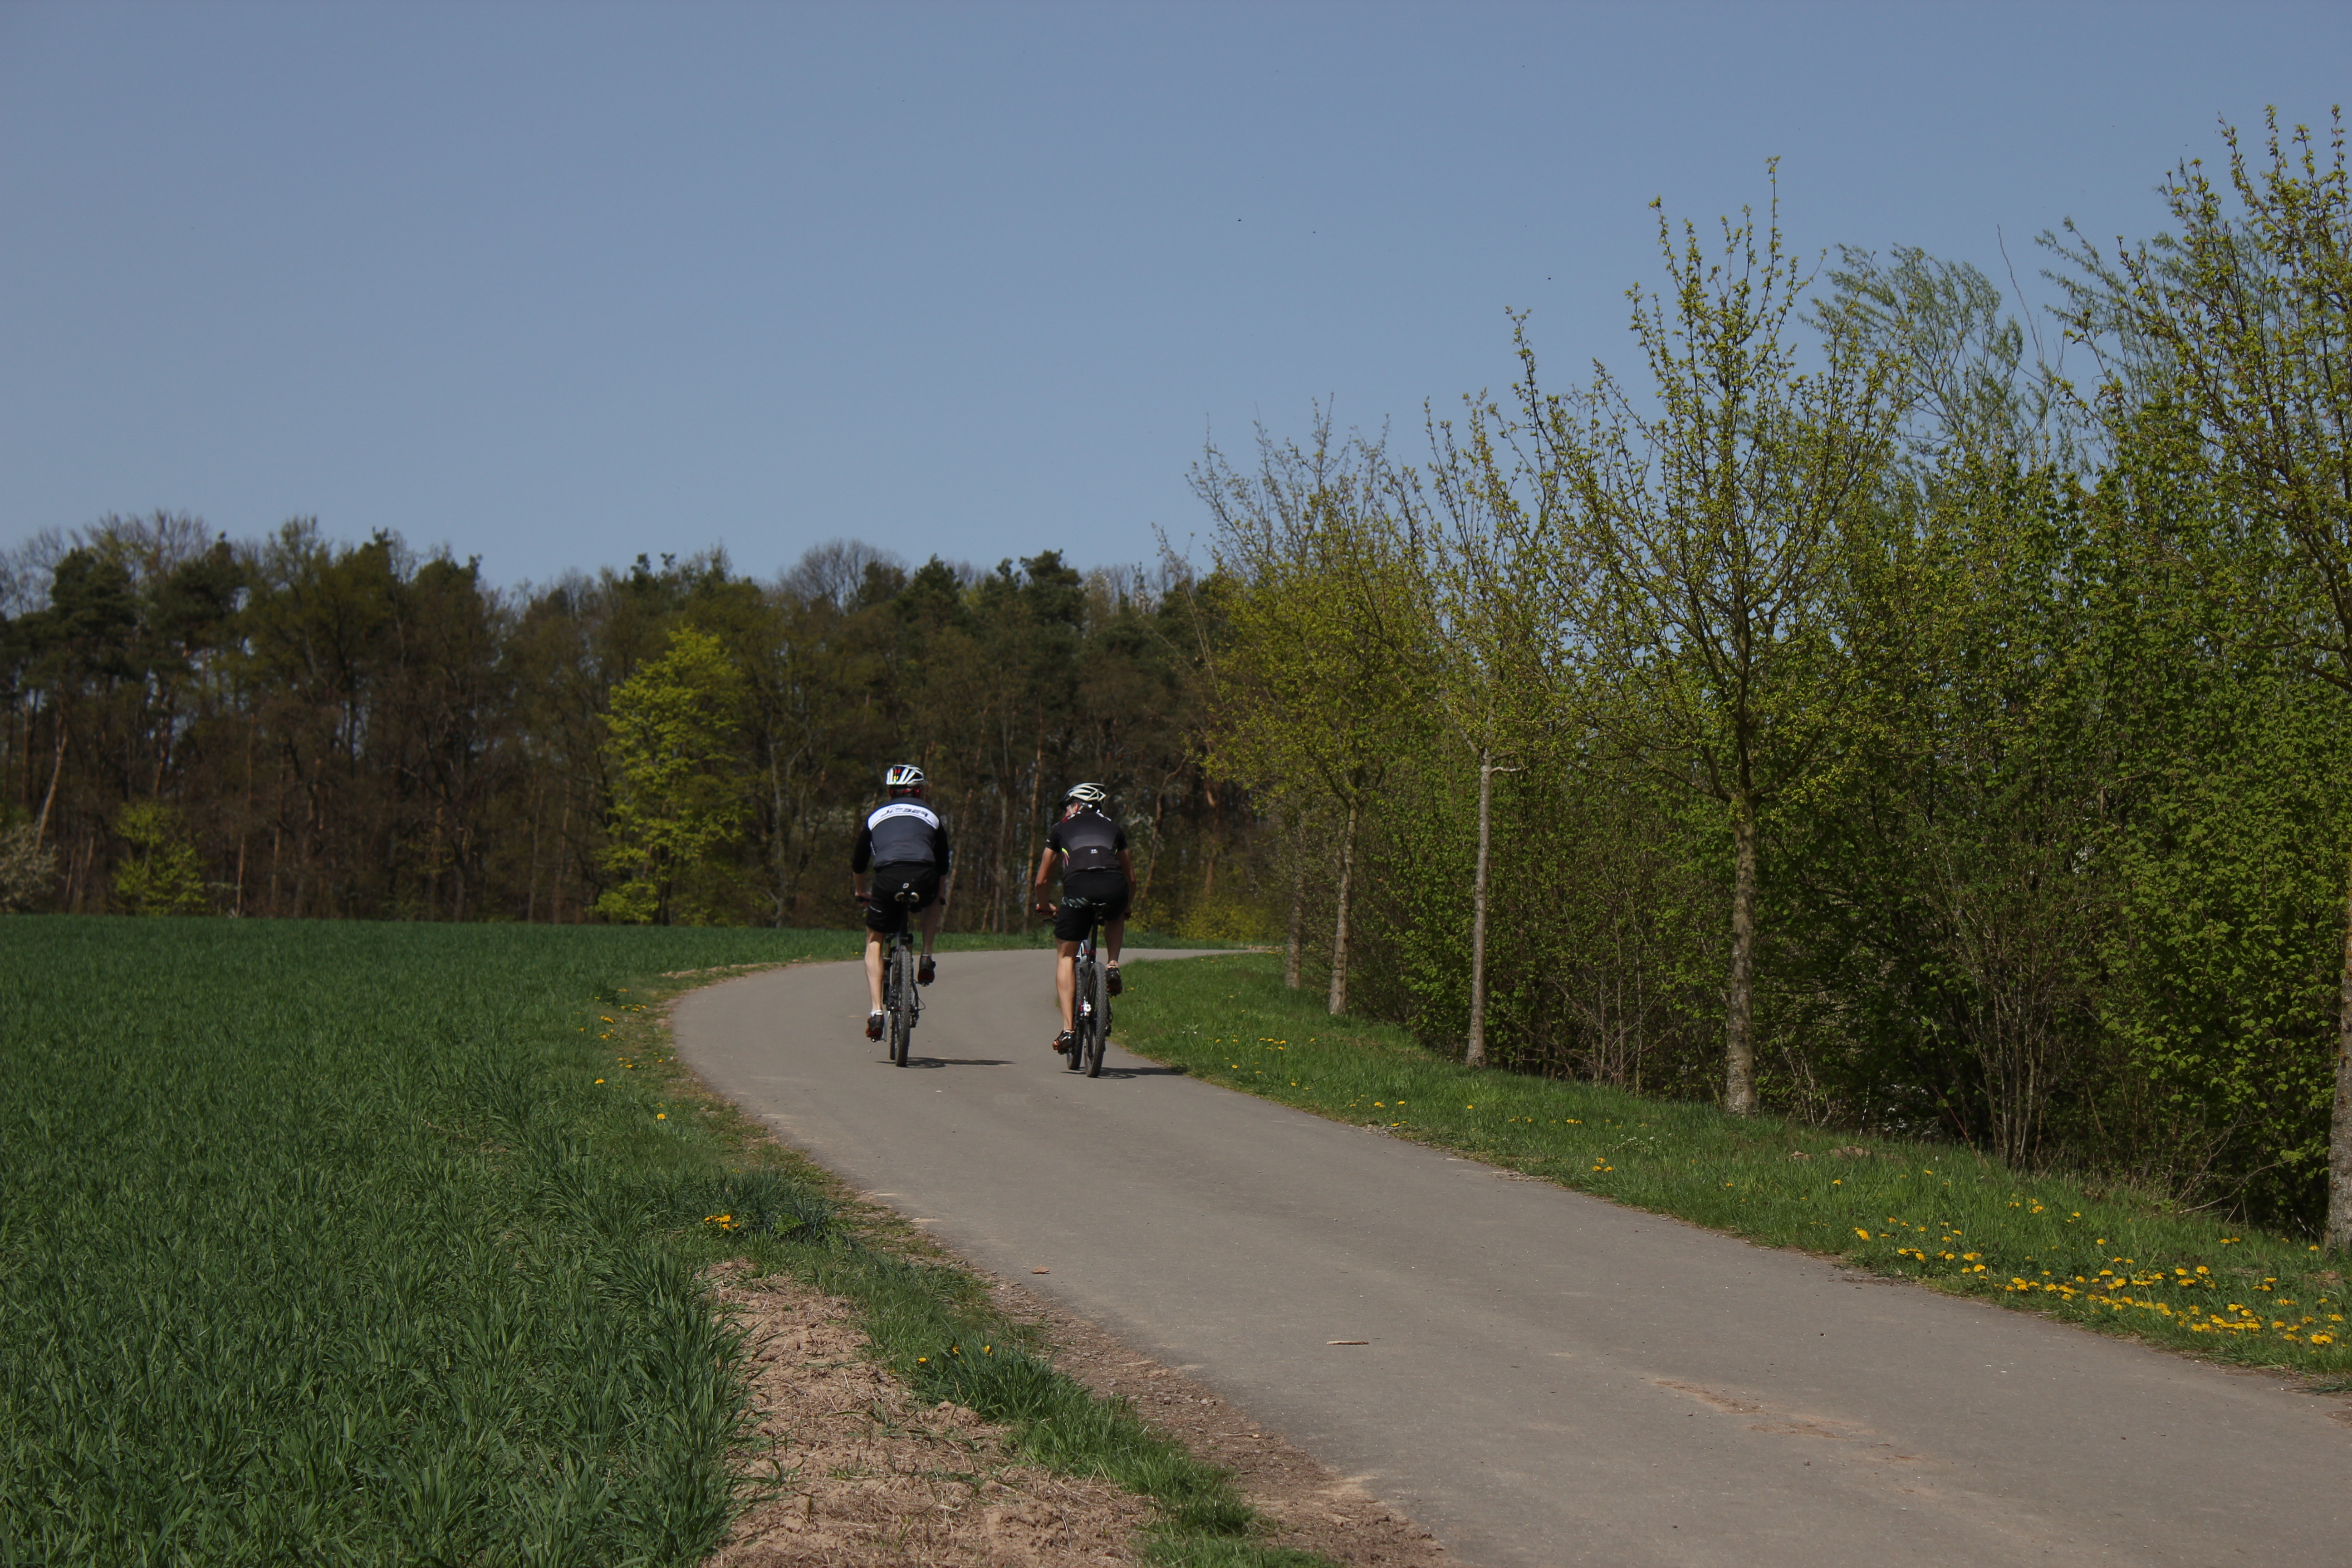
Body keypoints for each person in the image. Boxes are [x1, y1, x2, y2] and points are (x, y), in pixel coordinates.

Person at [1029, 782, 1134, 1056]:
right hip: (1114, 886)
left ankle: (1068, 1030)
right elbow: (1131, 877)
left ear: (1075, 805)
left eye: (1068, 806)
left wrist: (1044, 905)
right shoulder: (1114, 828)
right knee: (1116, 914)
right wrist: (1127, 905)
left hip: (1079, 888)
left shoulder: (1060, 829)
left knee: (1066, 957)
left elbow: (1042, 880)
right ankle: (1112, 964)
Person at [851, 763, 952, 1041]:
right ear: (919, 791)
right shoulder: (932, 815)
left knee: (875, 940)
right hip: (924, 874)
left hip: (888, 876)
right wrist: (940, 893)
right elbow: (943, 861)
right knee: (934, 900)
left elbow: (859, 862)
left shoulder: (876, 815)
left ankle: (876, 1012)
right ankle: (927, 956)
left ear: (889, 791)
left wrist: (861, 892)